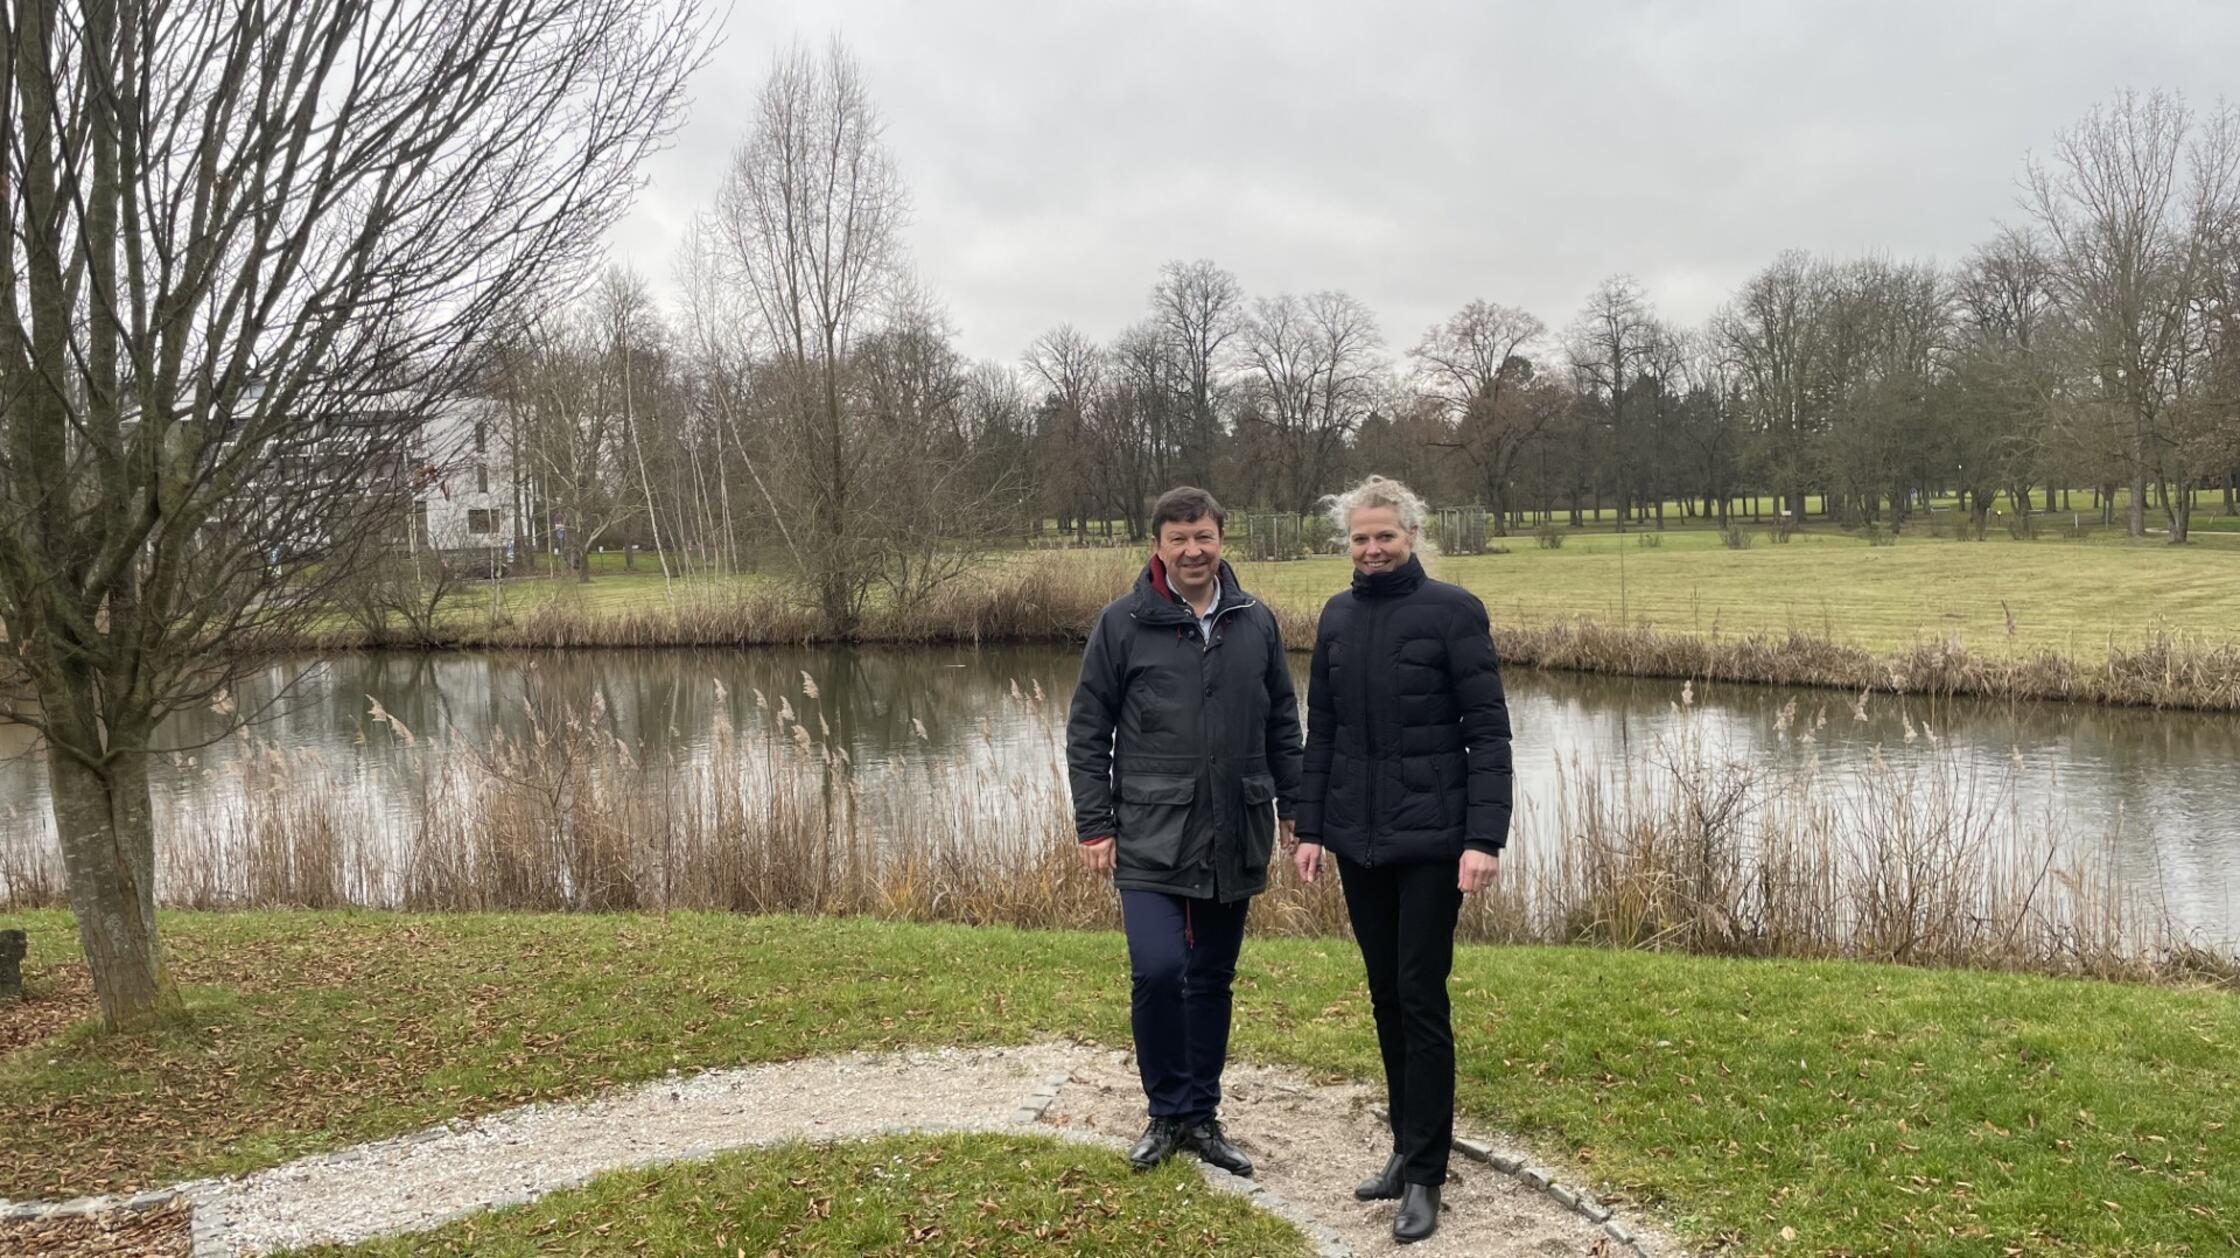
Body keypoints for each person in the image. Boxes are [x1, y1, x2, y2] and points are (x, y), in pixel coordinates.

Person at [1292, 475, 1512, 1244]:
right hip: (1358, 840)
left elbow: (1488, 734)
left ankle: (1426, 1174)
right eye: (1360, 539)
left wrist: (1484, 839)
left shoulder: (1453, 612)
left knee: (1421, 995)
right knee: (1385, 993)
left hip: (1432, 839)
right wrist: (1309, 828)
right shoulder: (1337, 617)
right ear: (1345, 545)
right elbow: (1323, 736)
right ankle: (1402, 1145)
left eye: (1385, 535)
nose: (1373, 549)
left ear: (1413, 534)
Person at [1066, 486, 1302, 1178]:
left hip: (1235, 830)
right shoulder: (1122, 624)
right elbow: (1088, 731)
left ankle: (1201, 1115)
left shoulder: (1255, 622)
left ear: (1221, 540)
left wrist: (1297, 809)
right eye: (1179, 539)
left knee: (1212, 978)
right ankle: (1164, 1111)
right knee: (1160, 970)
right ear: (1158, 547)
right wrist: (1095, 823)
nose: (1193, 550)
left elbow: (1283, 722)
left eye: (1204, 536)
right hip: (1150, 832)